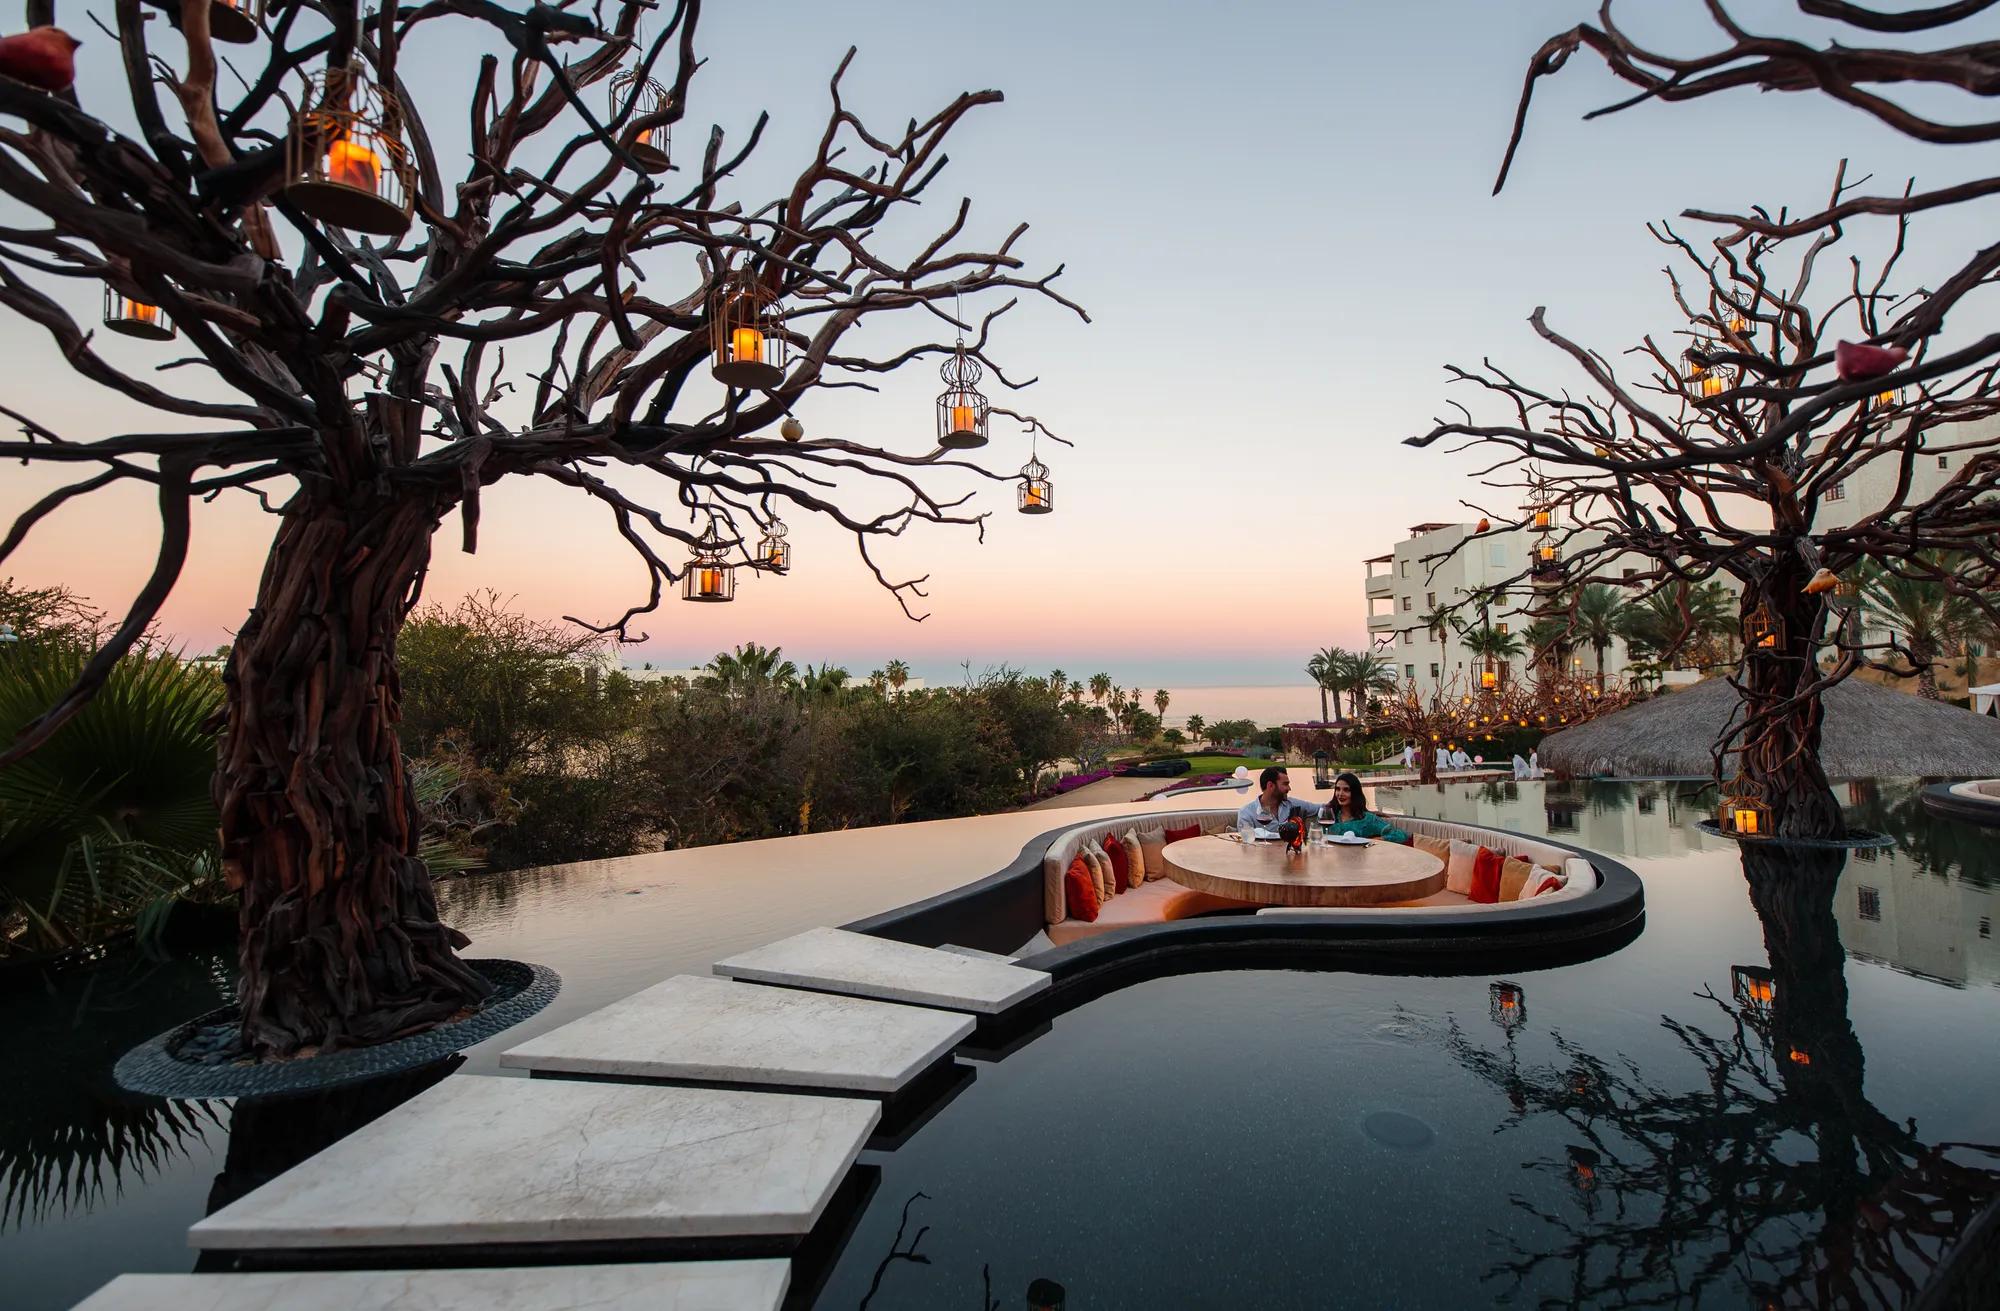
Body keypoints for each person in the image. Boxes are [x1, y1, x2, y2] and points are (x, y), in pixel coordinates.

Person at [1235, 765, 1329, 833]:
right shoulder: (1247, 813)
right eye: (1285, 784)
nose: (1289, 788)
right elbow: (1246, 844)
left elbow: (1323, 808)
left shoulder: (1292, 804)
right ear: (1270, 785)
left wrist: (1337, 798)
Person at [1323, 771, 1410, 843]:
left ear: (1355, 793)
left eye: (1346, 790)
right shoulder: (1330, 815)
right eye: (1338, 789)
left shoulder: (1367, 819)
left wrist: (1377, 840)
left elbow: (1400, 835)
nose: (1340, 794)